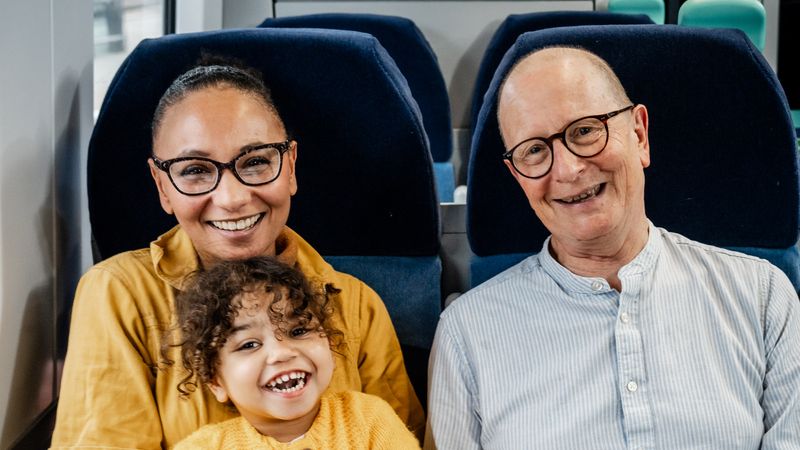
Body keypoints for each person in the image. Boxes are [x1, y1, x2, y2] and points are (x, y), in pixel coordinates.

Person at [426, 47, 800, 449]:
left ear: (639, 135)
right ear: (517, 175)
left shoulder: (763, 299)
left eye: (585, 130)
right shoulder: (465, 336)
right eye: (534, 150)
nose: (568, 169)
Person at [51, 60, 424, 449]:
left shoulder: (356, 305)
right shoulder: (119, 294)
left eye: (257, 162)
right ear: (162, 186)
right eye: (195, 170)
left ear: (290, 166)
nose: (232, 198)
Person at [169, 256, 420, 449]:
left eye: (298, 331)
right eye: (249, 344)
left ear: (330, 346)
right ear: (215, 381)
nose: (281, 353)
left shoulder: (370, 420)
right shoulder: (203, 446)